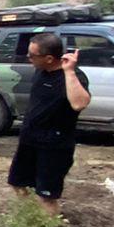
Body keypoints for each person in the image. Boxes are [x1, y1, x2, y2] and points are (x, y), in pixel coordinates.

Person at [9, 31, 91, 209]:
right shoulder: (40, 71)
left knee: (47, 195)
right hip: (30, 140)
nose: (28, 58)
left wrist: (69, 71)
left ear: (48, 58)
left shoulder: (73, 76)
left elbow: (79, 104)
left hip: (54, 144)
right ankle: (29, 222)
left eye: (32, 55)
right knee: (18, 183)